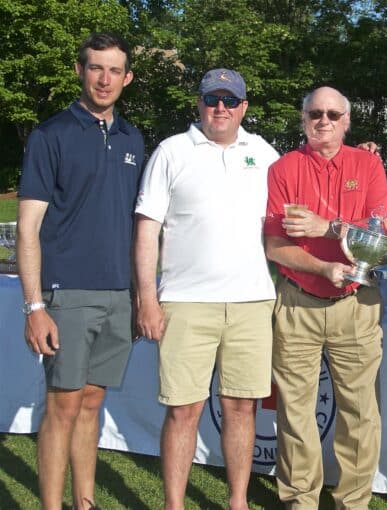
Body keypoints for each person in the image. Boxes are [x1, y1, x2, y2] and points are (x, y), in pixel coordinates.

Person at [132, 68, 279, 510]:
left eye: (229, 101)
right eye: (212, 99)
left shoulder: (266, 154)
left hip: (251, 301)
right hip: (185, 301)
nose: (220, 108)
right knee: (183, 411)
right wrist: (146, 297)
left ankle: (237, 501)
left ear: (243, 107)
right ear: (198, 104)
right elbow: (146, 228)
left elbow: (302, 194)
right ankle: (174, 505)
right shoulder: (171, 151)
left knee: (241, 408)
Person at [16, 33, 144, 510]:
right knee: (63, 404)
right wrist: (35, 307)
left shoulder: (133, 138)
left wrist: (138, 294)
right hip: (66, 294)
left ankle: (84, 501)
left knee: (92, 402)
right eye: (96, 68)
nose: (105, 79)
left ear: (127, 77)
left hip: (118, 295)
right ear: (80, 70)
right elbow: (28, 228)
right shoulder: (52, 135)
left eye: (114, 70)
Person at [264, 86, 387, 510]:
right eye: (315, 113)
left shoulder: (368, 165)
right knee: (296, 414)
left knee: (359, 415)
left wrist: (329, 228)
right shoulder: (282, 169)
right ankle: (300, 501)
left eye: (333, 114)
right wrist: (321, 267)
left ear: (347, 121)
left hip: (355, 306)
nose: (324, 120)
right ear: (304, 119)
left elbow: (383, 238)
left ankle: (352, 502)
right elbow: (275, 246)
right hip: (298, 302)